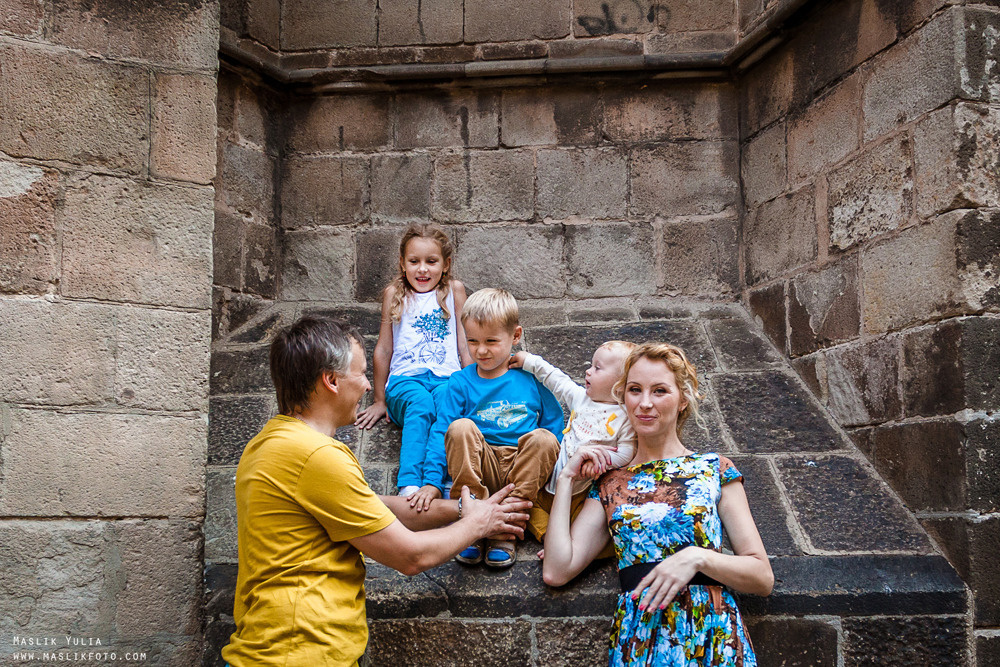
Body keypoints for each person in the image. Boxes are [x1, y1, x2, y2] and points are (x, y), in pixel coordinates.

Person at [221, 316, 530, 666]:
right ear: (331, 380)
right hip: (297, 654)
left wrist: (465, 509)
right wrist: (480, 524)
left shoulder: (268, 444)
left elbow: (371, 508)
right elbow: (411, 557)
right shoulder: (316, 455)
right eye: (361, 373)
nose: (369, 386)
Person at [542, 342, 773, 666]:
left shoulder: (714, 469)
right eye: (635, 390)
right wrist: (566, 479)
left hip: (712, 639)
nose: (645, 403)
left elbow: (762, 576)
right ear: (623, 397)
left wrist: (697, 559)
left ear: (682, 399)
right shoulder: (611, 483)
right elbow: (556, 570)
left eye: (660, 391)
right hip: (642, 645)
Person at [428, 288, 564, 568]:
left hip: (522, 468)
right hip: (481, 463)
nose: (480, 350)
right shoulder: (460, 382)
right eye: (472, 341)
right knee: (459, 427)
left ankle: (506, 525)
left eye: (491, 341)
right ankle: (473, 519)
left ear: (515, 336)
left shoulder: (531, 379)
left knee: (545, 438)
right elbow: (442, 431)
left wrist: (558, 481)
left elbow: (555, 425)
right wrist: (431, 481)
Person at [355, 223, 472, 511]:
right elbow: (384, 348)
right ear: (402, 263)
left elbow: (465, 344)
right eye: (414, 261)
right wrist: (380, 399)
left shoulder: (453, 291)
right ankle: (409, 483)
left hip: (447, 379)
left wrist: (473, 385)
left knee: (448, 406)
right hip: (405, 382)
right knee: (420, 405)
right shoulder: (395, 292)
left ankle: (441, 480)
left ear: (445, 265)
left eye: (431, 262)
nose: (422, 270)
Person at [508, 341, 637, 550]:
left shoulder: (625, 418)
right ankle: (550, 536)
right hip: (548, 483)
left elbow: (627, 452)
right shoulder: (581, 398)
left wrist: (600, 461)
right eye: (591, 365)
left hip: (580, 494)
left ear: (619, 385)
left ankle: (560, 541)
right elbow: (556, 379)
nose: (588, 371)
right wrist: (529, 361)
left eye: (597, 368)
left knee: (598, 524)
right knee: (528, 506)